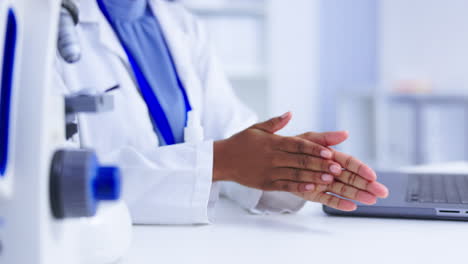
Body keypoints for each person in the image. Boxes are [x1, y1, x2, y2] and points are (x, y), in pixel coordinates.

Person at [54, 0, 388, 224]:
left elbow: (228, 128)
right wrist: (223, 161)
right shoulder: (47, 27)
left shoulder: (182, 25)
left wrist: (283, 168)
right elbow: (52, 178)